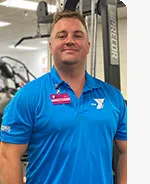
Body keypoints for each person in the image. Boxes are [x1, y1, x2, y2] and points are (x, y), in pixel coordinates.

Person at [0, 10, 127, 184]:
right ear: (51, 47)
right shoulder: (28, 96)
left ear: (88, 46)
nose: (70, 40)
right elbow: (7, 156)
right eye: (62, 35)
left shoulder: (113, 97)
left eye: (78, 35)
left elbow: (129, 150)